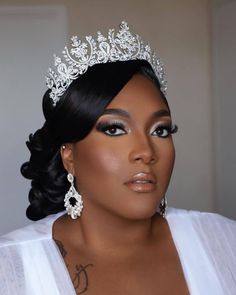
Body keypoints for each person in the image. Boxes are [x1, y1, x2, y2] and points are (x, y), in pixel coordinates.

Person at [0, 21, 235, 295]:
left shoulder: (225, 241)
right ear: (69, 156)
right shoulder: (10, 269)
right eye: (114, 129)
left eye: (160, 130)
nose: (146, 152)